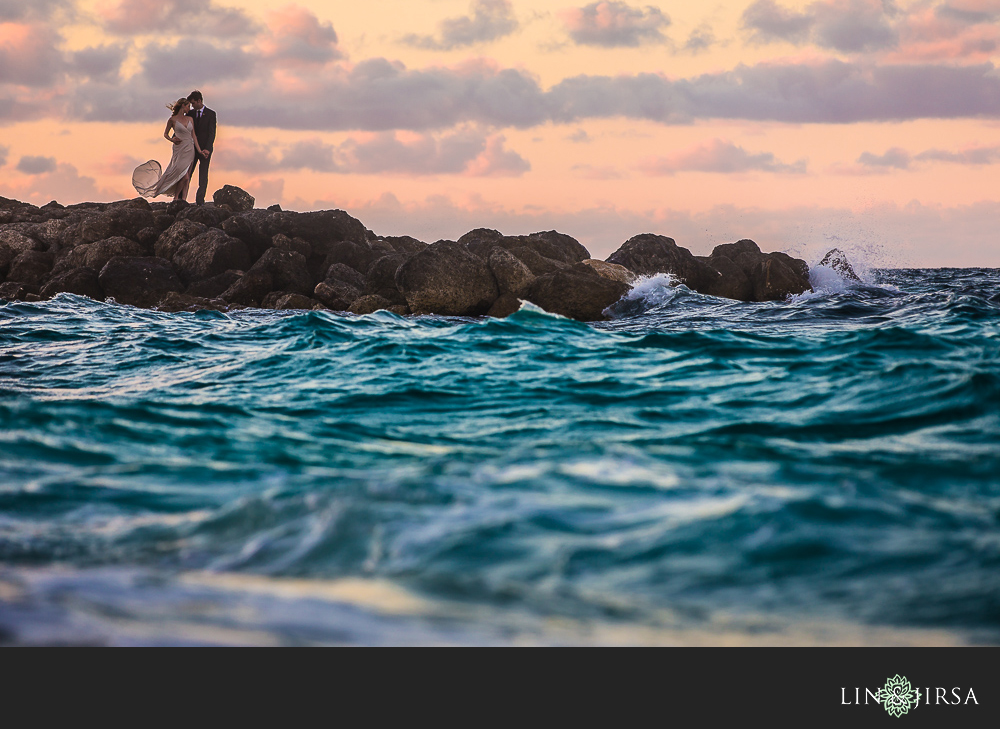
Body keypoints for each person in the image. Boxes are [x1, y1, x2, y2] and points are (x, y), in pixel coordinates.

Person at [132, 98, 209, 201]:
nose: (189, 109)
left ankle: (184, 200)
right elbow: (165, 134)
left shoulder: (190, 119)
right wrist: (172, 139)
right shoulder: (172, 120)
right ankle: (176, 198)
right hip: (179, 148)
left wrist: (199, 151)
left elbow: (194, 135)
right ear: (183, 105)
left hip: (190, 149)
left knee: (187, 177)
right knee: (183, 176)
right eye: (187, 106)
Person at [186, 90, 217, 206]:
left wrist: (208, 149)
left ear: (199, 101)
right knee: (187, 174)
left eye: (193, 103)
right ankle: (182, 198)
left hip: (205, 149)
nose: (192, 106)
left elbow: (212, 133)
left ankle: (200, 200)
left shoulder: (211, 114)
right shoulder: (190, 114)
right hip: (192, 149)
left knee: (203, 175)